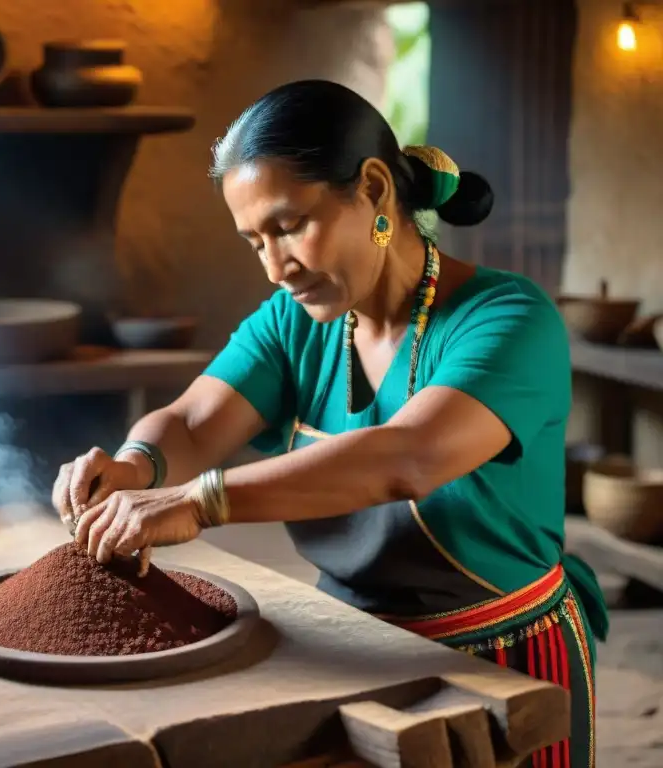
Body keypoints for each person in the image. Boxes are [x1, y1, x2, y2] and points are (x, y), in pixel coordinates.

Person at [52, 79, 606, 768]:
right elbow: (194, 421)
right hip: (349, 654)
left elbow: (410, 457)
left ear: (373, 190)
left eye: (288, 226)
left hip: (500, 663)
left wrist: (198, 502)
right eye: (255, 241)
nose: (275, 267)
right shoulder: (296, 322)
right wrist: (135, 465)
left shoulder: (509, 319)